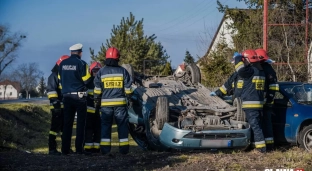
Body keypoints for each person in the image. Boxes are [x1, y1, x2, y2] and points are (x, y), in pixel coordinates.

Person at [93, 47, 133, 155]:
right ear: (117, 58)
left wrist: (96, 100)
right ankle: (124, 150)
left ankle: (105, 150)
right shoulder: (122, 71)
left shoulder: (101, 72)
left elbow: (97, 89)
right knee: (122, 125)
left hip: (106, 105)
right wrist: (129, 98)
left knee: (105, 126)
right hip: (120, 104)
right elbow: (128, 89)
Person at [58, 43, 92, 155]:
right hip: (79, 97)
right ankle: (78, 149)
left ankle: (65, 149)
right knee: (80, 124)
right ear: (80, 53)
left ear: (71, 52)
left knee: (67, 123)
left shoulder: (62, 64)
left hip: (66, 96)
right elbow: (87, 80)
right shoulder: (81, 63)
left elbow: (60, 80)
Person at [234, 49, 267, 153]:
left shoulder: (250, 71)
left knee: (255, 127)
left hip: (250, 104)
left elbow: (239, 70)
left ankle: (261, 149)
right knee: (258, 126)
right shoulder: (261, 71)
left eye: (244, 59)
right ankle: (255, 145)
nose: (243, 62)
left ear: (248, 59)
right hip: (259, 104)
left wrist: (238, 58)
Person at [46, 55, 69, 155]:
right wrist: (56, 104)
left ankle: (65, 149)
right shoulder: (54, 76)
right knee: (54, 129)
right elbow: (51, 91)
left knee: (65, 129)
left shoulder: (64, 76)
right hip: (57, 107)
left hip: (65, 107)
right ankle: (52, 149)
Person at [256, 48, 278, 151]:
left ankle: (267, 146)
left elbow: (273, 87)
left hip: (266, 102)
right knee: (265, 123)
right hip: (265, 101)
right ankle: (269, 146)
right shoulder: (266, 68)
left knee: (264, 123)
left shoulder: (266, 69)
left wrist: (268, 99)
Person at [84, 61, 102, 153]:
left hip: (98, 110)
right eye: (95, 71)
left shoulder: (100, 82)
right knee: (89, 128)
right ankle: (88, 147)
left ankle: (96, 147)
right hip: (90, 110)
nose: (96, 73)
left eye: (98, 71)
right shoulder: (89, 82)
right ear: (91, 71)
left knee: (97, 128)